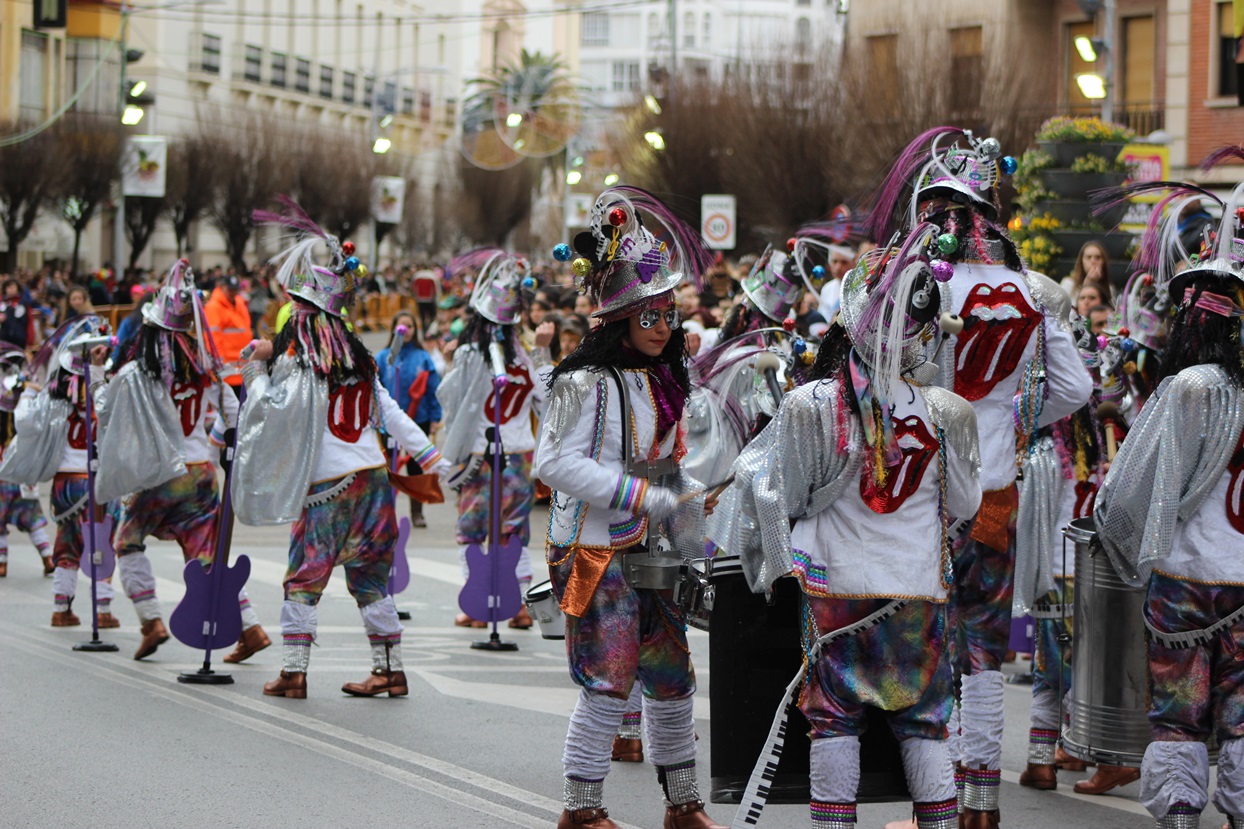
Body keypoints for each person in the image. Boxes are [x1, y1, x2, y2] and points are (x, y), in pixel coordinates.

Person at [711, 226, 982, 829]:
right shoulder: (949, 411)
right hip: (916, 586)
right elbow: (963, 503)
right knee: (925, 719)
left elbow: (779, 493)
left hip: (835, 586)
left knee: (832, 718)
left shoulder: (814, 402)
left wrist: (779, 564)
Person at [867, 127, 1093, 828]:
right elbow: (1078, 387)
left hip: (925, 492)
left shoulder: (912, 282)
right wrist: (1013, 419)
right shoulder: (1031, 288)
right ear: (988, 213)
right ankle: (981, 802)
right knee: (988, 649)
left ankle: (937, 802)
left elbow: (873, 370)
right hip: (995, 484)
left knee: (930, 644)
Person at [535, 186, 722, 829]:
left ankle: (683, 805)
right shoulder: (579, 382)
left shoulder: (667, 380)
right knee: (609, 680)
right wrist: (636, 493)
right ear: (621, 322)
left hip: (656, 551)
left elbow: (673, 466)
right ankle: (582, 809)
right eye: (649, 318)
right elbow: (553, 464)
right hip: (594, 548)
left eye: (667, 315)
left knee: (673, 678)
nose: (662, 327)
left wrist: (698, 531)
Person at [236, 198, 449, 699]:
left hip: (328, 487)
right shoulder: (358, 360)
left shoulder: (300, 362)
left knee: (303, 581)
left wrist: (253, 368)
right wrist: (431, 458)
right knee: (372, 580)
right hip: (374, 480)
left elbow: (267, 413)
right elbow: (390, 415)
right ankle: (390, 670)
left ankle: (293, 673)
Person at [1094, 166, 1244, 829]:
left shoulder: (1188, 388)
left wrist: (1121, 539)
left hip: (1186, 578)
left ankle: (1181, 814)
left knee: (1178, 714)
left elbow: (1128, 487)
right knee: (1242, 716)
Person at [92, 259, 269, 662]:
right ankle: (251, 627)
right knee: (208, 557)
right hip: (201, 473)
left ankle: (151, 620)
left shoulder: (139, 370)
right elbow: (232, 410)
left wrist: (96, 375)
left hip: (158, 473)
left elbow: (105, 410)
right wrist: (223, 444)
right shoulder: (204, 368)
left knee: (127, 542)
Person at [437, 251, 553, 630]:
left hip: (479, 454)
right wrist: (542, 352)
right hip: (519, 452)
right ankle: (518, 604)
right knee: (514, 528)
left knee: (471, 527)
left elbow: (449, 401)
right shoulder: (523, 356)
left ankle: (474, 604)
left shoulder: (470, 354)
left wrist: (448, 361)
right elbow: (549, 399)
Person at [0, 316, 116, 627]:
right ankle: (103, 612)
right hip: (95, 480)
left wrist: (26, 394)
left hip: (64, 482)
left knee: (67, 545)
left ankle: (61, 609)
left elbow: (24, 423)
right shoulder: (104, 395)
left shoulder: (54, 399)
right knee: (101, 543)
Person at [375, 310, 442, 528]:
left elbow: (433, 390)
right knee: (387, 468)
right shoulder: (383, 357)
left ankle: (417, 512)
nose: (406, 330)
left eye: (410, 326)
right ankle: (385, 512)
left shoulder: (423, 358)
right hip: (388, 423)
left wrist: (435, 417)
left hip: (417, 419)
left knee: (416, 467)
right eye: (401, 326)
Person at [0, 344, 53, 578]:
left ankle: (2, 563)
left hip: (3, 468)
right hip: (24, 469)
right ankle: (47, 557)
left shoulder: (5, 395)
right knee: (32, 519)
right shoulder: (30, 398)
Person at [204, 275, 253, 395]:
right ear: (222, 287)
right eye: (230, 289)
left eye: (235, 289)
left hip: (242, 370)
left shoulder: (240, 304)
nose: (233, 292)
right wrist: (219, 367)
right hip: (227, 371)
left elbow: (245, 331)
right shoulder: (214, 307)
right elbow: (213, 339)